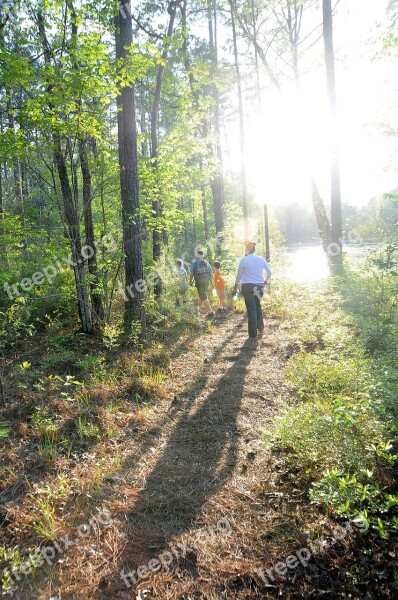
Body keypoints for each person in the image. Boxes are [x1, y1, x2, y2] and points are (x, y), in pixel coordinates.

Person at [233, 241, 272, 338]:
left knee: (251, 309)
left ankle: (253, 333)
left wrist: (235, 288)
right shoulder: (261, 259)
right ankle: (261, 327)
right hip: (259, 286)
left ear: (247, 250)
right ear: (255, 250)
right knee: (257, 305)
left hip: (247, 287)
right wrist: (265, 281)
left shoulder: (243, 260)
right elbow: (269, 272)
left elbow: (239, 276)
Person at [189, 250, 215, 318]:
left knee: (203, 296)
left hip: (199, 282)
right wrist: (212, 282)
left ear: (196, 255)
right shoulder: (207, 263)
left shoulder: (194, 264)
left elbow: (191, 274)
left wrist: (190, 282)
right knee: (202, 295)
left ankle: (211, 312)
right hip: (206, 281)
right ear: (203, 256)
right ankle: (197, 310)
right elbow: (210, 273)